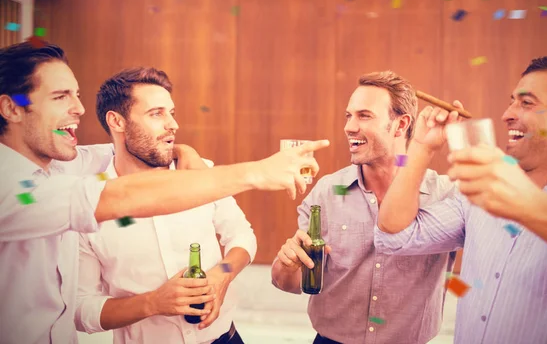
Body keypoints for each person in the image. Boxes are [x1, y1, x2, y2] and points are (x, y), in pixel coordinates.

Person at [0, 41, 329, 344]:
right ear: (12, 109)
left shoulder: (63, 165)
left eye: (76, 94)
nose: (80, 108)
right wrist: (257, 171)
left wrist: (221, 276)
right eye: (61, 96)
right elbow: (118, 197)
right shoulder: (16, 189)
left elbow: (240, 236)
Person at [375, 54, 547, 343]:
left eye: (527, 103)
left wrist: (526, 202)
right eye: (512, 101)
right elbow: (394, 235)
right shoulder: (481, 194)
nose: (507, 114)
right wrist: (421, 146)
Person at [271, 71, 457, 344]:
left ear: (401, 124)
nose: (349, 126)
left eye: (364, 115)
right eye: (349, 115)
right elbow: (289, 283)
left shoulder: (444, 196)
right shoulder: (328, 192)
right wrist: (286, 267)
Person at [76, 67, 255, 344]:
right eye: (157, 113)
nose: (173, 124)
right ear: (117, 121)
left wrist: (222, 276)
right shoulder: (88, 203)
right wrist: (152, 303)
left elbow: (242, 236)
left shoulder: (201, 173)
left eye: (171, 112)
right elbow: (81, 308)